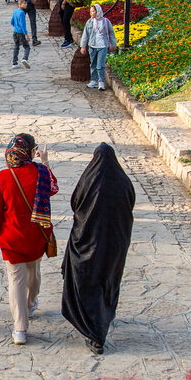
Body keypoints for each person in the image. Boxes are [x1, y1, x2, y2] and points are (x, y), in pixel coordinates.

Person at [61, 144, 134, 355]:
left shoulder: (88, 180)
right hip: (115, 244)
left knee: (87, 283)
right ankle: (103, 320)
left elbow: (76, 203)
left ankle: (94, 332)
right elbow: (130, 205)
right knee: (108, 281)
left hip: (87, 241)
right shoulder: (123, 182)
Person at [0, 134, 58, 346]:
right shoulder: (41, 172)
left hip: (11, 238)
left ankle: (20, 328)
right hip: (36, 234)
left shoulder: (2, 177)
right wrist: (45, 161)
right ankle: (30, 303)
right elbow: (53, 189)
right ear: (30, 151)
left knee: (16, 279)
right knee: (33, 272)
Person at [80, 3, 113, 91]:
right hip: (92, 46)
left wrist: (113, 44)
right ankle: (94, 80)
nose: (91, 13)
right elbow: (85, 34)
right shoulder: (89, 22)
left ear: (98, 11)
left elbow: (111, 33)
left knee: (100, 65)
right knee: (93, 64)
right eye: (90, 11)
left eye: (93, 11)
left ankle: (101, 81)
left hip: (102, 46)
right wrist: (83, 46)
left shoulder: (105, 21)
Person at [10, 0, 31, 69]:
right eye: (24, 3)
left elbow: (12, 22)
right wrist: (26, 34)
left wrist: (16, 27)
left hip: (15, 32)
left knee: (16, 47)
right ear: (19, 4)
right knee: (27, 47)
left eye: (26, 3)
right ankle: (25, 59)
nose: (26, 5)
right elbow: (23, 25)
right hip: (21, 33)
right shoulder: (22, 13)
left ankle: (14, 63)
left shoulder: (15, 11)